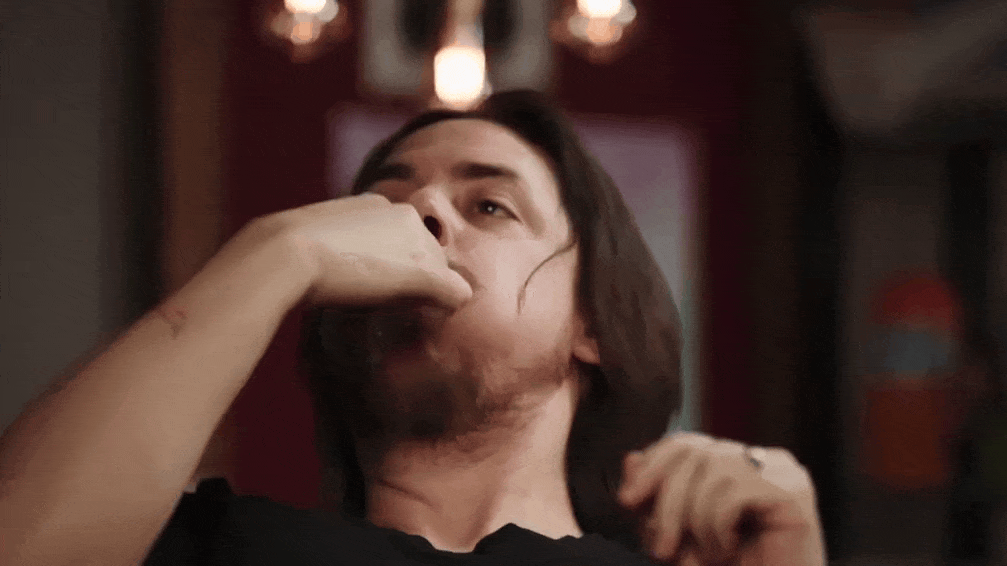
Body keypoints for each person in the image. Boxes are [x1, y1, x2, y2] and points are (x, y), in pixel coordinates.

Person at [0, 91, 824, 566]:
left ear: (596, 323)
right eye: (381, 207)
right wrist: (274, 253)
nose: (418, 212)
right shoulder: (211, 546)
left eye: (488, 205)